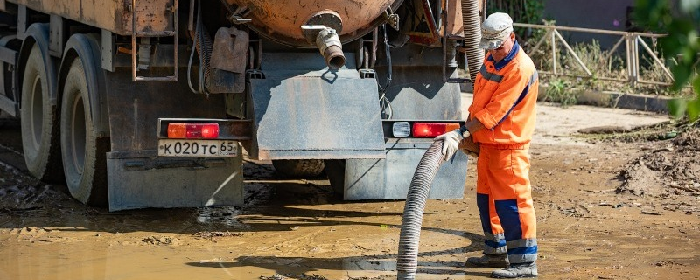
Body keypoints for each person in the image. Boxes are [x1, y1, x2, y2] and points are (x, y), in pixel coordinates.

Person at [435, 12, 539, 278]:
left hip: (508, 149)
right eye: (489, 48)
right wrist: (468, 135)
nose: (492, 53)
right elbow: (479, 101)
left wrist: (461, 134)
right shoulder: (492, 61)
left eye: (497, 47)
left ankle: (524, 263)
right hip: (488, 146)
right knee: (488, 202)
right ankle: (496, 251)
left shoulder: (519, 68)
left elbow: (494, 112)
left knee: (512, 204)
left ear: (512, 37)